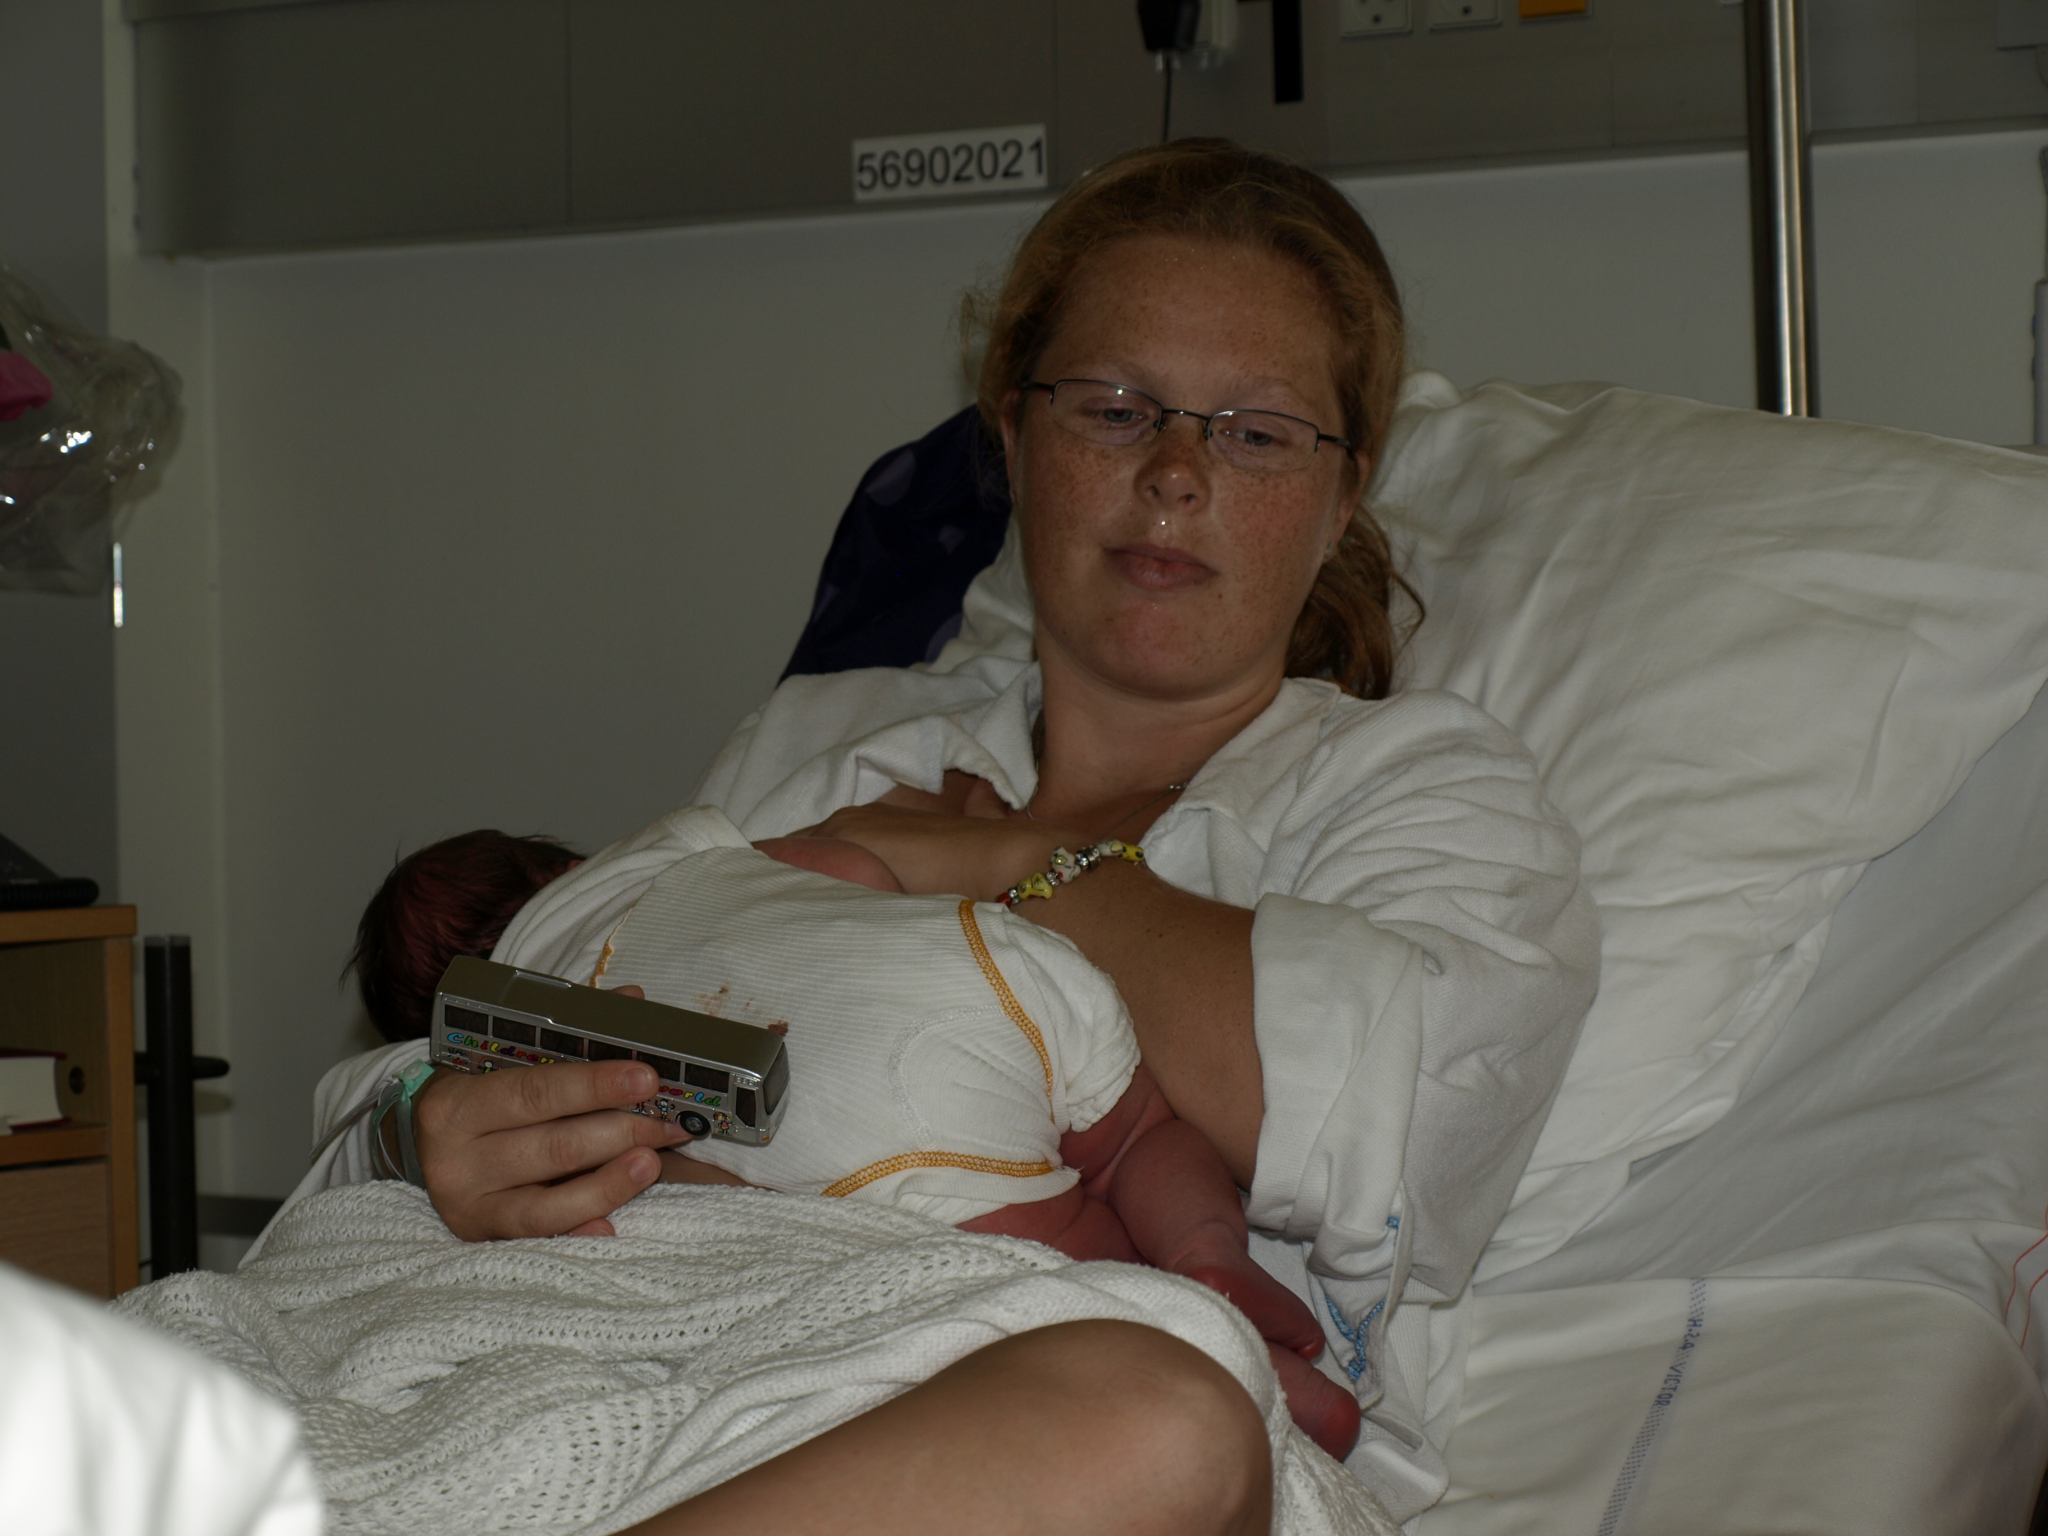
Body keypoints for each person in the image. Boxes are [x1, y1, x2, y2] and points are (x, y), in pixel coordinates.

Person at [292, 138, 1599, 1524]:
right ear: (1014, 437)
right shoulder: (826, 743)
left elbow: (1376, 1126)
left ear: (1341, 498)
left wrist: (1003, 866)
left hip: (1064, 1449)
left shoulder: (1426, 790)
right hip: (670, 1364)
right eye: (1113, 410)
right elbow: (569, 993)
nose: (1174, 474)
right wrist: (428, 1135)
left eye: (1257, 434)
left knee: (1153, 1418)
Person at [348, 812, 1362, 1455]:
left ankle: (1243, 1370)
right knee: (1138, 1136)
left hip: (844, 1133)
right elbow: (838, 868)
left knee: (1074, 1290)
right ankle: (1207, 1248)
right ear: (569, 860)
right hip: (979, 966)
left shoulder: (521, 1036)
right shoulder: (677, 848)